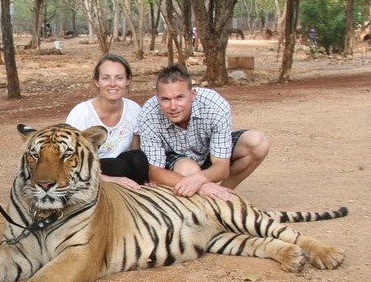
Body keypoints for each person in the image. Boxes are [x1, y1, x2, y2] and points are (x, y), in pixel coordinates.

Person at [136, 64, 269, 201]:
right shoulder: (149, 114)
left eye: (180, 97)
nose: (173, 106)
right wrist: (201, 185)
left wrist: (199, 179)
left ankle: (224, 194)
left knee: (257, 142)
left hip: (207, 153)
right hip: (175, 162)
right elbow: (155, 172)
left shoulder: (214, 105)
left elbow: (221, 166)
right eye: (166, 99)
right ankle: (208, 200)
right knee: (188, 168)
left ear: (192, 94)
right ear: (157, 97)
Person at [65, 54, 148, 188]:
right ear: (97, 81)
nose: (112, 84)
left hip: (125, 170)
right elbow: (69, 162)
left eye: (119, 78)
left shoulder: (134, 109)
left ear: (128, 80)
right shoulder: (82, 113)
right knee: (118, 167)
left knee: (138, 158)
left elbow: (135, 151)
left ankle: (135, 193)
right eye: (106, 78)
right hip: (89, 174)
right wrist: (111, 179)